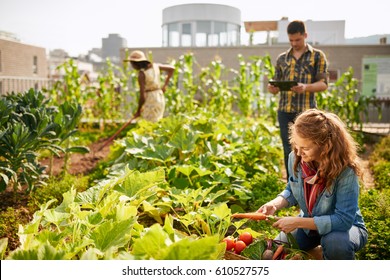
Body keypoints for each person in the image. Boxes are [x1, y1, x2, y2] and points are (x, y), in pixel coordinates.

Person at [257, 108, 368, 260]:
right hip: (309, 227)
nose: (299, 152)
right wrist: (275, 204)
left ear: (325, 146)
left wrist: (297, 222)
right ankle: (318, 254)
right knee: (275, 248)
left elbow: (343, 220)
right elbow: (291, 190)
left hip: (345, 229)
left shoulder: (345, 170)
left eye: (305, 148)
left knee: (335, 243)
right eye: (296, 145)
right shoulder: (295, 158)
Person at [268, 20, 329, 179]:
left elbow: (323, 84)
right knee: (288, 149)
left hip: (306, 112)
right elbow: (276, 83)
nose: (294, 43)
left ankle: (311, 181)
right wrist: (273, 89)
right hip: (285, 110)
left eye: (298, 40)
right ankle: (292, 184)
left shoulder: (317, 56)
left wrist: (305, 87)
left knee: (310, 149)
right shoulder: (282, 59)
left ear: (305, 35)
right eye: (291, 40)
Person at [124, 50, 174, 122]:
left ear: (136, 63)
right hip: (159, 96)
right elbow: (172, 68)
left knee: (149, 124)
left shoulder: (142, 74)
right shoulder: (155, 66)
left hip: (151, 100)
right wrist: (165, 85)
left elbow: (142, 96)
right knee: (156, 122)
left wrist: (138, 111)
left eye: (132, 64)